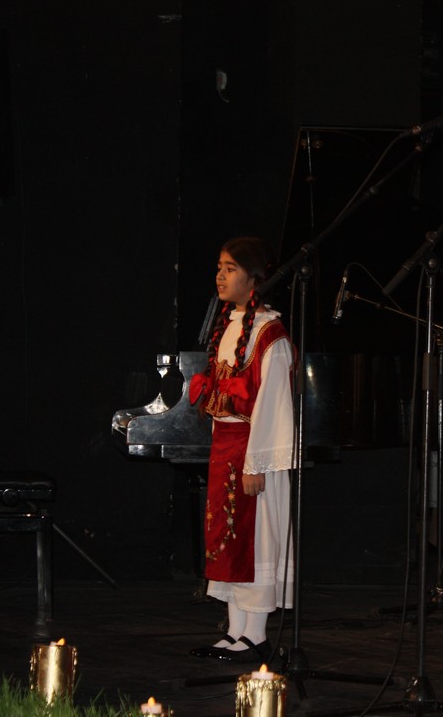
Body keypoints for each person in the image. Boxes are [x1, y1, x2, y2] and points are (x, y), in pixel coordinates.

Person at [186, 236, 295, 664]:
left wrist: (257, 463)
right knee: (227, 540)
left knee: (254, 541)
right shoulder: (230, 324)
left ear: (255, 279)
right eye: (219, 266)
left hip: (252, 452)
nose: (220, 275)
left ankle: (256, 636)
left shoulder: (270, 334)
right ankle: (235, 632)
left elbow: (273, 404)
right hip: (226, 450)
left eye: (230, 268)